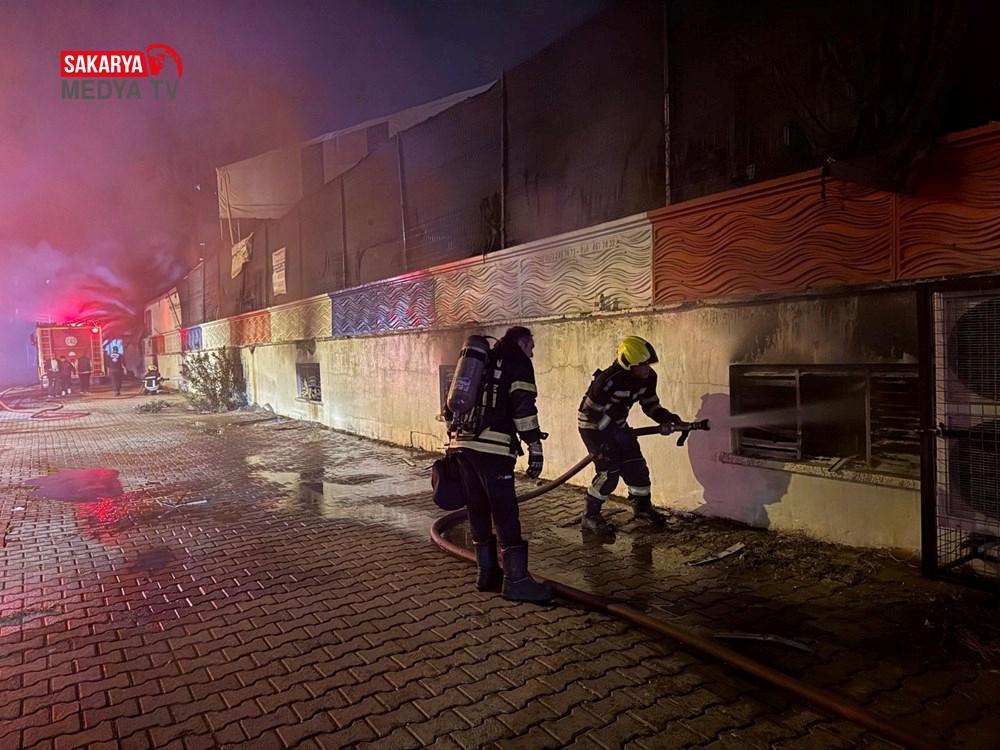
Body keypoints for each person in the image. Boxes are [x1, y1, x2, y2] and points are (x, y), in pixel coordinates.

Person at [448, 326, 553, 603]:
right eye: (532, 346)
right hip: (493, 449)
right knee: (505, 512)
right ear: (523, 341)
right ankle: (516, 582)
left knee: (478, 508)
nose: (532, 353)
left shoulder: (482, 360)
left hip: (463, 446)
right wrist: (535, 446)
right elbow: (523, 407)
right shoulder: (518, 361)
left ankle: (486, 574)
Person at [577, 336, 683, 536]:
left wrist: (666, 417)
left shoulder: (648, 378)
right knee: (609, 474)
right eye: (642, 365)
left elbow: (650, 405)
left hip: (618, 426)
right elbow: (589, 414)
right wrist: (609, 433)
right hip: (594, 428)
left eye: (648, 364)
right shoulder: (607, 380)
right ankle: (590, 516)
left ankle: (642, 509)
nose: (647, 369)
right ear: (628, 364)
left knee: (636, 467)